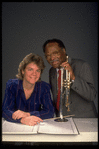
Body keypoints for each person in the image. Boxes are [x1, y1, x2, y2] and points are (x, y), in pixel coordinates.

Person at [43, 38, 97, 118]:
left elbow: (92, 95)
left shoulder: (82, 66)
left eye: (55, 53)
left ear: (64, 51)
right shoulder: (52, 71)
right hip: (63, 120)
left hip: (84, 119)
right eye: (48, 55)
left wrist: (73, 77)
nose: (52, 58)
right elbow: (57, 97)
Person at [2, 53, 54, 126]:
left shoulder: (44, 87)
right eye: (30, 69)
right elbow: (5, 110)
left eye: (38, 71)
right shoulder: (12, 85)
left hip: (35, 125)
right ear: (23, 71)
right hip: (16, 126)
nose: (34, 74)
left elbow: (49, 112)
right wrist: (22, 120)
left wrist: (27, 114)